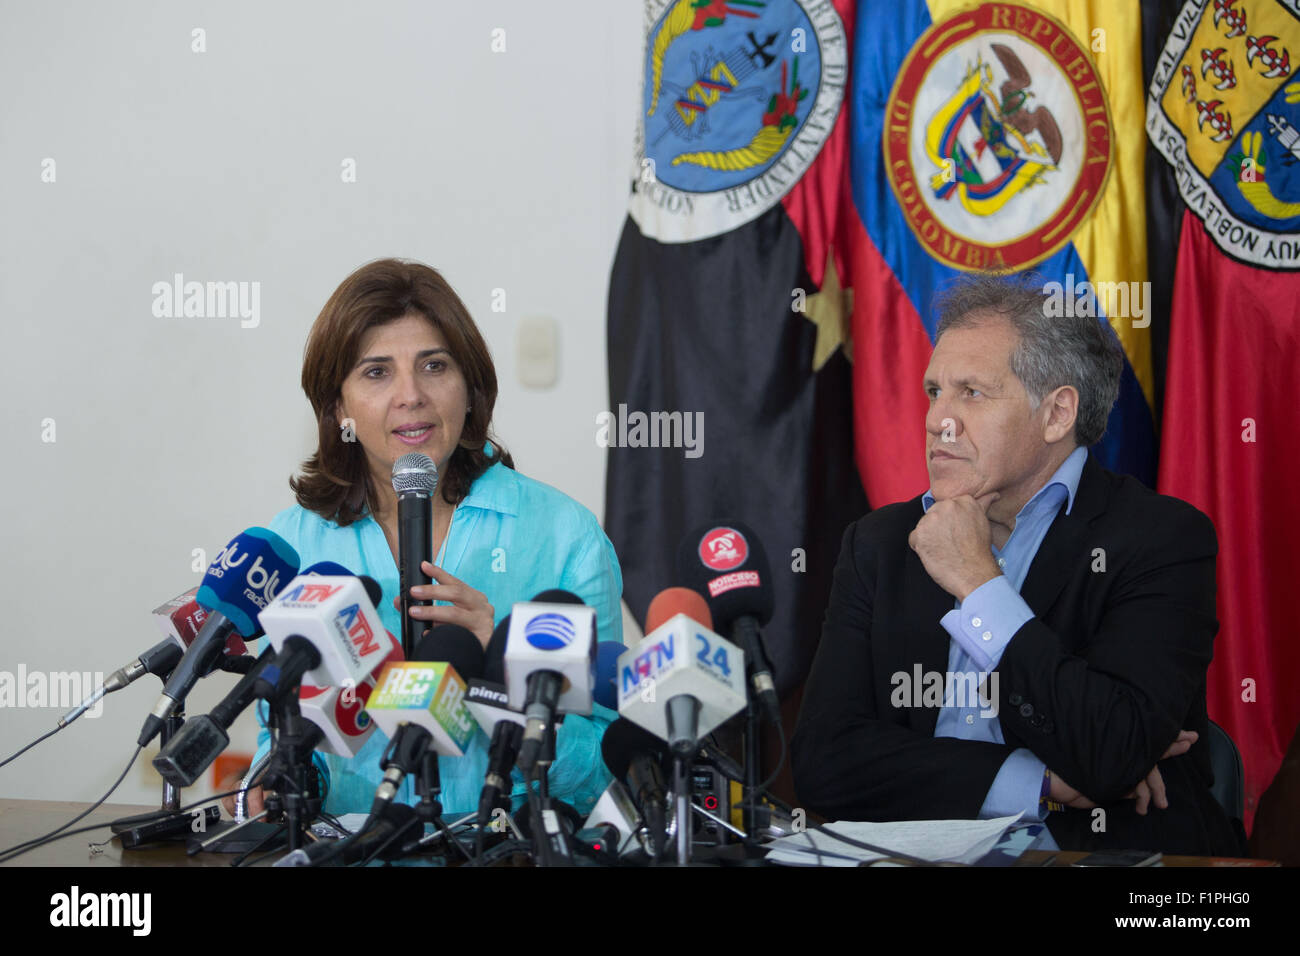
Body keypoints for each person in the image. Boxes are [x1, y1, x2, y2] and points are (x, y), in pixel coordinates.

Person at [791, 273, 1243, 855]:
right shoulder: (879, 543)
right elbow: (824, 760)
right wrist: (1041, 780)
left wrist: (979, 586)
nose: (937, 421)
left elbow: (1111, 750)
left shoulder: (1161, 539)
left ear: (1057, 414)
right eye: (934, 392)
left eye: (971, 393)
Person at [231, 258, 622, 822]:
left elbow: (610, 776)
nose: (410, 395)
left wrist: (505, 668)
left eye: (434, 366)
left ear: (470, 390)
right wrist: (276, 779)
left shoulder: (565, 535)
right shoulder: (294, 545)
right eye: (376, 372)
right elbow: (282, 737)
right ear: (338, 406)